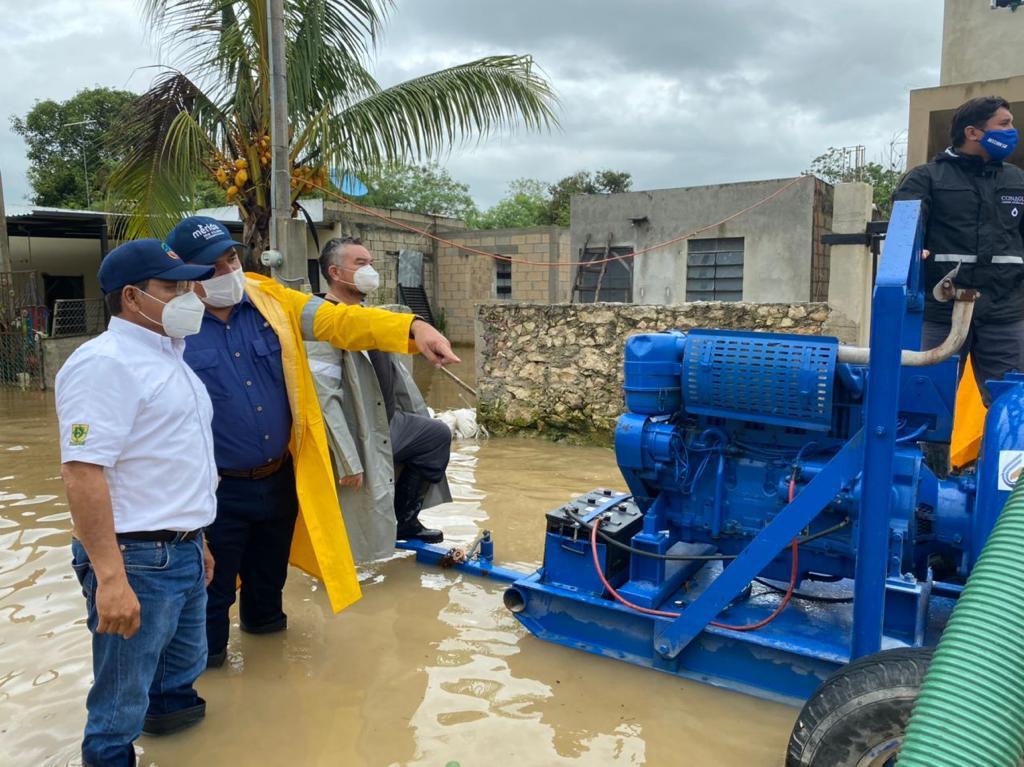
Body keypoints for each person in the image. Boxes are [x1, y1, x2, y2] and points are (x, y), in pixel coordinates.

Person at [164, 216, 459, 669]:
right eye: (211, 267)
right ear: (183, 273)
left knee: (268, 593)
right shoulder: (172, 326)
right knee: (211, 594)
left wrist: (413, 328)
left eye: (230, 258)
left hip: (277, 478)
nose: (227, 272)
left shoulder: (269, 301)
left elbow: (338, 321)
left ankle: (273, 686)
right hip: (214, 489)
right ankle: (212, 678)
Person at [56, 240, 217, 767]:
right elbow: (82, 471)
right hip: (137, 558)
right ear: (131, 297)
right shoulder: (105, 364)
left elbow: (175, 461)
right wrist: (110, 578)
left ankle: (177, 738)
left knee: (179, 674)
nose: (188, 296)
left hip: (183, 550)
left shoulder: (172, 358)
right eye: (173, 288)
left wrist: (199, 540)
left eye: (190, 285)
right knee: (119, 703)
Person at [306, 237, 453, 561]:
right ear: (335, 271)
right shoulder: (321, 323)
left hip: (388, 423)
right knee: (351, 518)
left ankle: (405, 521)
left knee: (436, 436)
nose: (370, 269)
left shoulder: (372, 318)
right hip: (358, 434)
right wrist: (347, 457)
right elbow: (324, 397)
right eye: (360, 264)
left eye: (370, 262)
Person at [894, 95, 1024, 404]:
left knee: (1014, 406)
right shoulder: (925, 178)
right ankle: (930, 455)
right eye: (1004, 124)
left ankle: (1007, 455)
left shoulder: (1018, 181)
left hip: (1005, 315)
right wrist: (915, 253)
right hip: (942, 313)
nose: (1012, 131)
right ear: (972, 132)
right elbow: (905, 235)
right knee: (924, 402)